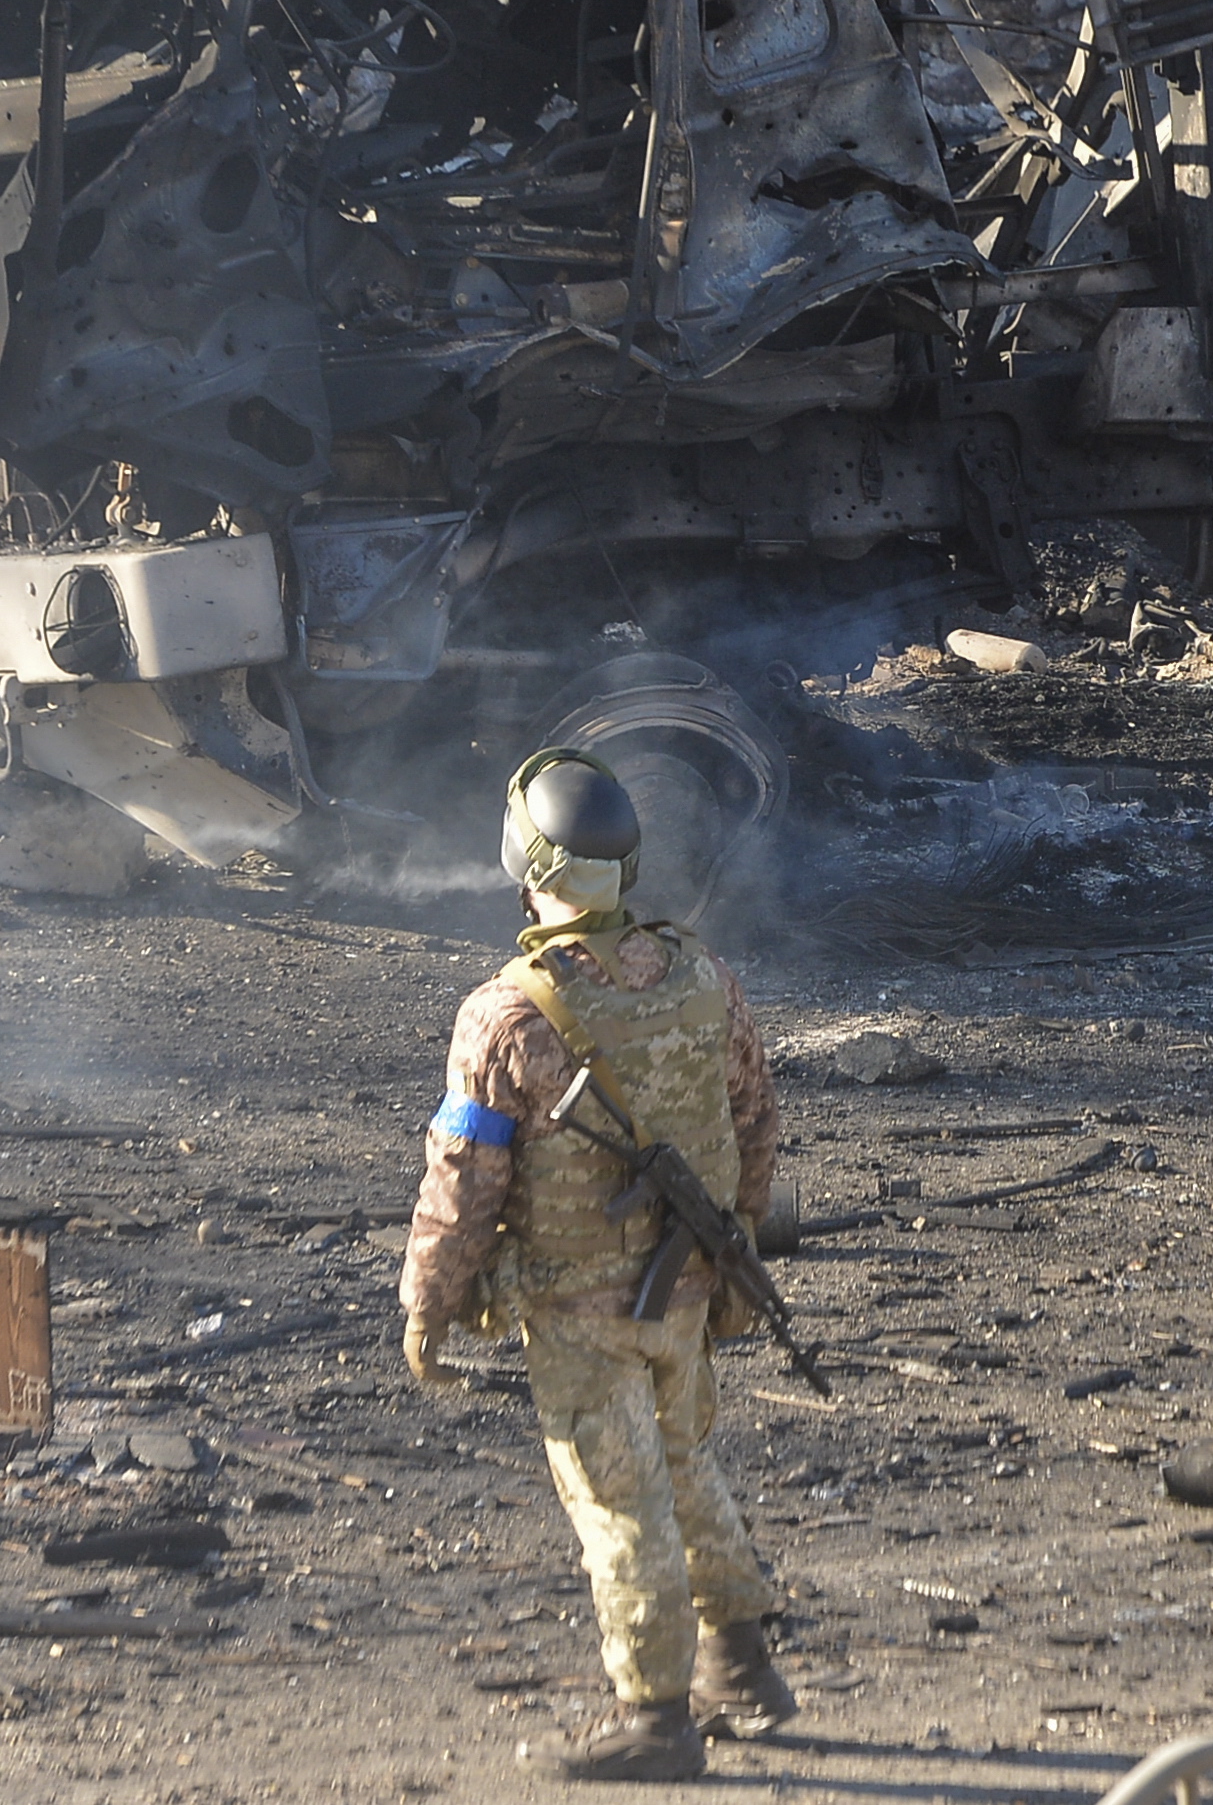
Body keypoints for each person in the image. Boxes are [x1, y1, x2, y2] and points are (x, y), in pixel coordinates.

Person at [398, 748, 799, 1782]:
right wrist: (736, 1240)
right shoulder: (702, 975)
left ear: (524, 862)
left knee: (619, 1504)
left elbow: (464, 1180)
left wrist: (429, 1303)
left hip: (579, 1306)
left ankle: (658, 1716)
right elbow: (755, 1125)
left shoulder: (505, 1013)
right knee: (683, 1462)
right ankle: (741, 1667)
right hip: (690, 1289)